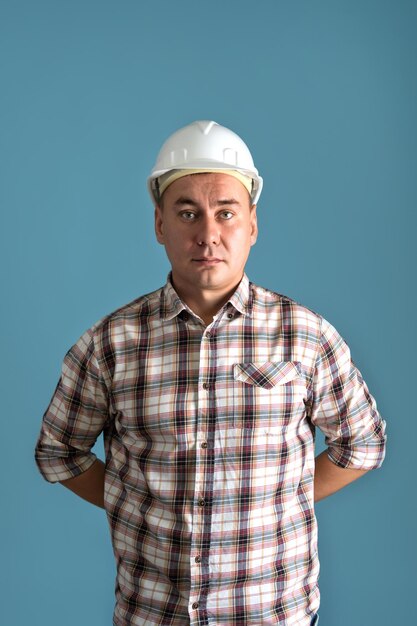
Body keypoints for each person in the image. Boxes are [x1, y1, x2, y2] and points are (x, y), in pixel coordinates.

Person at [35, 120, 386, 626]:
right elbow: (59, 452)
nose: (208, 235)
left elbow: (364, 444)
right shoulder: (109, 344)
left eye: (226, 213)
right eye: (187, 213)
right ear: (159, 225)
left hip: (274, 613)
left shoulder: (305, 336)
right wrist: (133, 501)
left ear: (253, 225)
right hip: (152, 613)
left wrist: (274, 503)